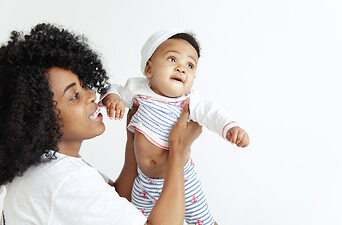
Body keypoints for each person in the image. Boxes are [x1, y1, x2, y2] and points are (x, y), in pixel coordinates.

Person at [0, 23, 202, 224]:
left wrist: (132, 137)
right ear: (39, 117)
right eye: (74, 96)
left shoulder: (50, 168)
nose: (91, 96)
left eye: (84, 85)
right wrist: (178, 148)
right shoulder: (65, 181)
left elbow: (118, 200)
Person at [101, 29, 250, 225]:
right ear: (149, 69)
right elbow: (112, 88)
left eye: (190, 65)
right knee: (132, 218)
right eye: (172, 60)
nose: (181, 69)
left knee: (204, 222)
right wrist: (113, 98)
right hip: (144, 181)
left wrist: (231, 128)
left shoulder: (189, 101)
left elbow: (212, 112)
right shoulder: (137, 90)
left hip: (183, 180)